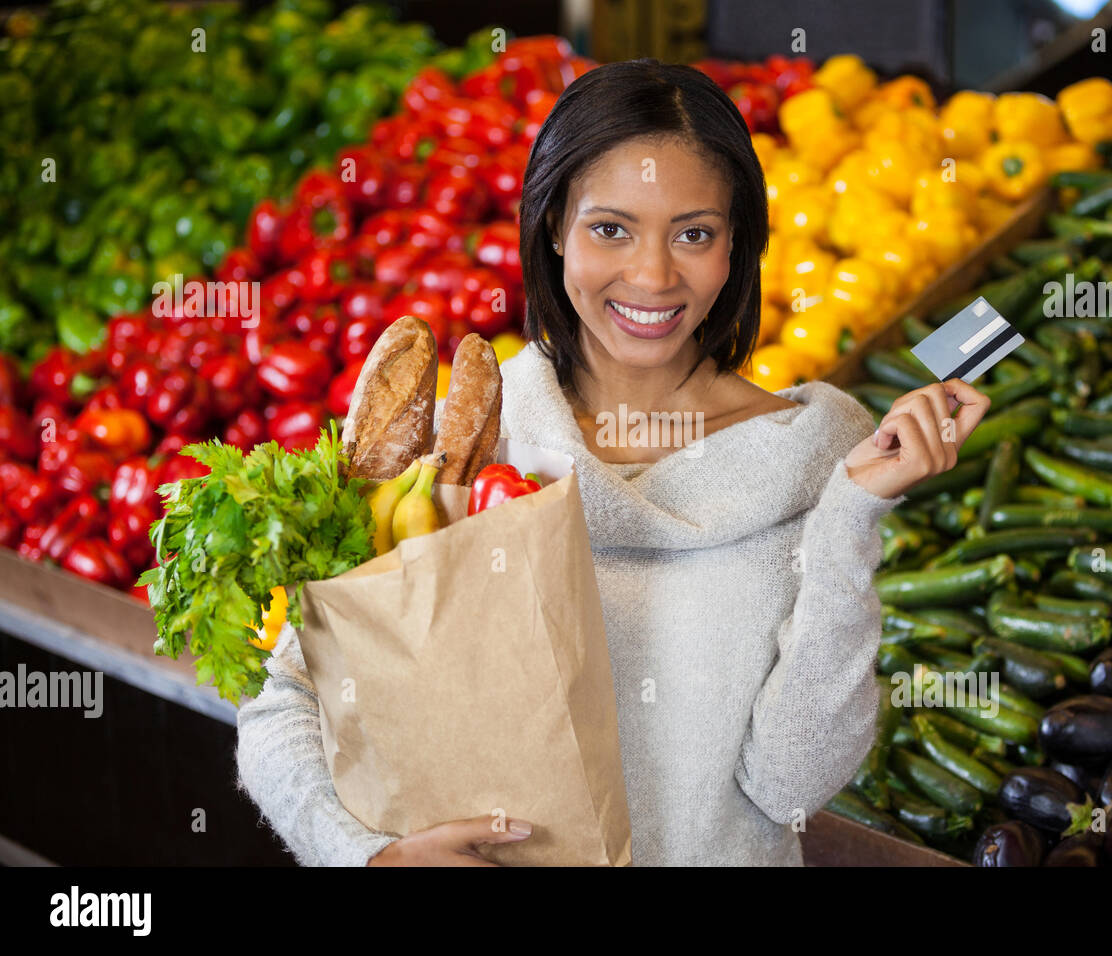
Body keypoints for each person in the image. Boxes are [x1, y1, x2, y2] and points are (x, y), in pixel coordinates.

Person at [236, 58, 991, 867]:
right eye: (610, 229)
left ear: (738, 244)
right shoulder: (459, 446)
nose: (653, 276)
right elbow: (287, 703)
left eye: (694, 233)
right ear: (554, 224)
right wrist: (366, 856)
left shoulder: (817, 454)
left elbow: (790, 786)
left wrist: (850, 516)